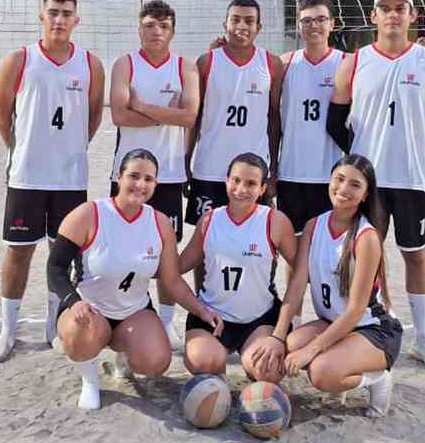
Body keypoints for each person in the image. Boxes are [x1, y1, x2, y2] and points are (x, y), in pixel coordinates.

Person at [327, 0, 425, 372]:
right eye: (386, 8)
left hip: (414, 178)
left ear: (412, 16)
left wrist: (419, 149)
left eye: (401, 7)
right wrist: (361, 161)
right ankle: (368, 330)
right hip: (372, 182)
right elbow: (336, 121)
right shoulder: (356, 60)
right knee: (366, 257)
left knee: (415, 254)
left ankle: (423, 339)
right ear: (374, 16)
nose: (394, 14)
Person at [48, 149, 224, 410]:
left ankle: (123, 359)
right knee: (77, 333)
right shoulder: (89, 214)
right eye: (133, 176)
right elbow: (55, 268)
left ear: (155, 184)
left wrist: (202, 310)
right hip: (89, 308)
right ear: (118, 176)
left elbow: (171, 279)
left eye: (149, 179)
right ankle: (90, 380)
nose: (140, 184)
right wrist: (74, 302)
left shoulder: (159, 222)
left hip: (133, 310)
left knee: (156, 362)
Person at [0, 0, 106, 363]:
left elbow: (93, 117)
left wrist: (69, 150)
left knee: (62, 254)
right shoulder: (19, 60)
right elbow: (3, 116)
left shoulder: (90, 64)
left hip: (70, 180)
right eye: (53, 12)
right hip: (26, 177)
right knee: (18, 252)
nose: (59, 19)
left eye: (66, 13)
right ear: (41, 17)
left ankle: (54, 326)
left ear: (76, 20)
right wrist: (24, 151)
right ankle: (8, 330)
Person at [256, 154, 402, 417]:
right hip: (332, 322)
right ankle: (337, 357)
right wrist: (277, 336)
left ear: (366, 195)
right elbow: (297, 284)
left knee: (321, 373)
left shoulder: (366, 237)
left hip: (373, 329)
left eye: (355, 185)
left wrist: (312, 350)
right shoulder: (314, 226)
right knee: (289, 345)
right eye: (339, 179)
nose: (344, 189)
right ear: (330, 180)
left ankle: (377, 379)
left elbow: (356, 311)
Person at [109, 0, 200, 346]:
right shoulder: (125, 64)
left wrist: (142, 105)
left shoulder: (184, 67)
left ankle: (165, 323)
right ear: (140, 29)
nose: (156, 31)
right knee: (124, 248)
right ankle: (123, 313)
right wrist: (167, 113)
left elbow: (189, 116)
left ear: (172, 31)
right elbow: (119, 116)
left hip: (170, 174)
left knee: (167, 254)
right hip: (128, 173)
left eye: (163, 26)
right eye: (150, 25)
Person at [177, 153, 297, 383]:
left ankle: (251, 363)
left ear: (263, 188)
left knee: (268, 370)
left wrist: (281, 333)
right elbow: (178, 268)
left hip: (259, 318)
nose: (241, 188)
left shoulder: (275, 221)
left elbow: (302, 272)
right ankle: (216, 375)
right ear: (226, 181)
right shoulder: (209, 220)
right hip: (212, 316)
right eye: (236, 180)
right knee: (203, 363)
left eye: (251, 183)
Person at [186, 0, 284, 230]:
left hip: (253, 172)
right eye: (236, 20)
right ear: (225, 24)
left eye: (249, 21)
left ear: (258, 28)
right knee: (205, 239)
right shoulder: (206, 62)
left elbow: (274, 120)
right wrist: (185, 162)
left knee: (256, 237)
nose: (242, 26)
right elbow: (195, 119)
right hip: (210, 167)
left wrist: (273, 171)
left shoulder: (271, 64)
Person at [277, 0, 344, 235]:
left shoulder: (347, 64)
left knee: (329, 250)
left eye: (320, 19)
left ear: (332, 24)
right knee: (293, 252)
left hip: (331, 176)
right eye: (306, 21)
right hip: (291, 174)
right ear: (299, 26)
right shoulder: (284, 64)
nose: (313, 25)